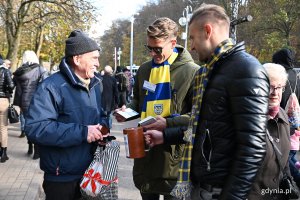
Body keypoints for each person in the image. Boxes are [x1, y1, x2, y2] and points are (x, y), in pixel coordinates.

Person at [144, 4, 269, 199]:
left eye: (192, 38)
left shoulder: (246, 69)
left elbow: (252, 147)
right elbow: (202, 129)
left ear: (208, 31)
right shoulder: (207, 72)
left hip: (219, 191)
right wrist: (165, 136)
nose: (191, 46)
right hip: (201, 186)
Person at [116, 17, 200, 200]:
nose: (153, 54)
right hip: (145, 155)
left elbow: (197, 116)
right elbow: (138, 101)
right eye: (150, 48)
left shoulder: (192, 71)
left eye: (158, 49)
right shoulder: (145, 70)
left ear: (173, 43)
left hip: (174, 160)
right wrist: (126, 112)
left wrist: (168, 123)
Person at [25, 30, 108, 200]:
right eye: (93, 58)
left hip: (92, 172)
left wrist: (103, 128)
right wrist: (84, 132)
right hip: (61, 177)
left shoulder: (96, 84)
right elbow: (36, 128)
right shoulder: (50, 87)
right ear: (77, 59)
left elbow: (101, 115)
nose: (98, 63)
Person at [247, 63, 297, 199]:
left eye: (279, 87)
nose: (275, 93)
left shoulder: (283, 116)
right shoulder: (248, 119)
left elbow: (285, 163)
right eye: (270, 86)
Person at [13, 50, 48, 160]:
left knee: (28, 125)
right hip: (37, 102)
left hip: (24, 102)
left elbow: (17, 89)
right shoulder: (40, 69)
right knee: (36, 126)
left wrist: (18, 104)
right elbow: (45, 86)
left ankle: (29, 146)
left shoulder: (19, 72)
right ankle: (37, 151)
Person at [272, 48, 300, 187]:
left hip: (282, 121)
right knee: (290, 153)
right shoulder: (296, 74)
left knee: (282, 157)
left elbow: (278, 101)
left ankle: (293, 181)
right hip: (295, 119)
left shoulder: (281, 77)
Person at [0, 56, 15, 163]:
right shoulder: (5, 71)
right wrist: (8, 91)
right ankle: (3, 153)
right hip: (2, 100)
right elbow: (11, 85)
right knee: (3, 127)